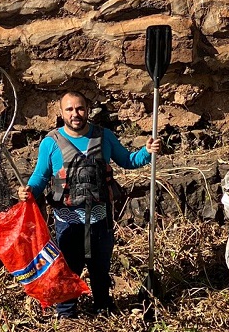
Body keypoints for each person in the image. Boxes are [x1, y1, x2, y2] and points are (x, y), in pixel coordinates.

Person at [19, 91, 161, 319]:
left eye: (80, 108)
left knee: (100, 268)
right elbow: (40, 177)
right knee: (68, 269)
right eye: (69, 109)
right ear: (61, 113)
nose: (75, 114)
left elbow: (128, 161)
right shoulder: (50, 143)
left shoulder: (105, 137)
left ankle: (102, 308)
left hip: (99, 218)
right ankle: (66, 314)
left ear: (88, 109)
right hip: (67, 221)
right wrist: (29, 191)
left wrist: (147, 152)